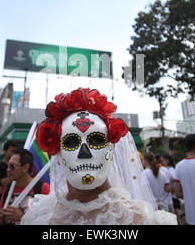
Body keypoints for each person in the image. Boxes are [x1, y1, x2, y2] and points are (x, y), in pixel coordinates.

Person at [21, 88, 177, 225]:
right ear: (57, 152)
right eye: (71, 142)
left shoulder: (144, 221)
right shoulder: (37, 218)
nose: (84, 153)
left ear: (112, 148)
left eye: (96, 140)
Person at [0, 149, 50, 225]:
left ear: (25, 167)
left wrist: (21, 218)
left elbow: (50, 220)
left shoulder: (43, 188)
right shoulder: (9, 188)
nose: (8, 170)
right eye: (8, 165)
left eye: (12, 166)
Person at [0, 140, 17, 215]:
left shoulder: (13, 167)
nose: (13, 153)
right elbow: (6, 184)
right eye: (11, 151)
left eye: (15, 151)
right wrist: (17, 178)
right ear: (5, 151)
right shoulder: (1, 167)